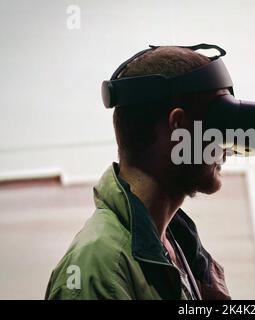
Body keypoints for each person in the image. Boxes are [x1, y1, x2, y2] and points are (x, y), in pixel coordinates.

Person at [45, 46, 232, 300]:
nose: (227, 144)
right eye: (217, 122)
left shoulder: (177, 248)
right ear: (178, 128)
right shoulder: (100, 270)